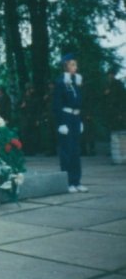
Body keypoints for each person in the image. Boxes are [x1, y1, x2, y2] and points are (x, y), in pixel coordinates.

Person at [53, 54, 88, 193]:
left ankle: (76, 181)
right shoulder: (60, 81)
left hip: (75, 118)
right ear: (66, 65)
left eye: (75, 64)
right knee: (66, 150)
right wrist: (61, 123)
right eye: (72, 64)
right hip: (66, 118)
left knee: (76, 150)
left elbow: (80, 102)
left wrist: (80, 120)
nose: (75, 67)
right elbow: (57, 103)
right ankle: (67, 182)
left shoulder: (77, 81)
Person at [19, 84, 40, 156]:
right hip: (25, 119)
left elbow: (38, 109)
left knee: (32, 135)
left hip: (32, 118)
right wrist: (21, 106)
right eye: (29, 89)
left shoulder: (35, 98)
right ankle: (26, 150)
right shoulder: (23, 98)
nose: (30, 91)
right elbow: (17, 107)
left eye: (31, 89)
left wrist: (37, 119)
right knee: (25, 135)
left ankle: (32, 151)